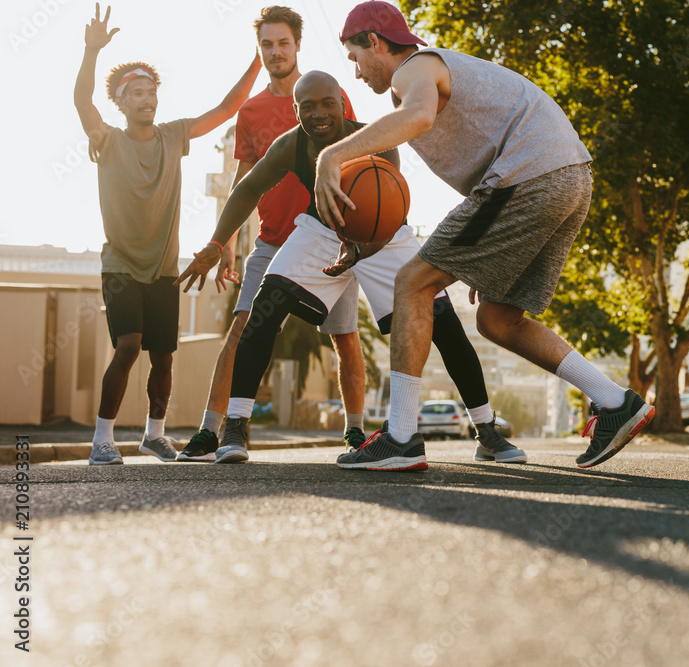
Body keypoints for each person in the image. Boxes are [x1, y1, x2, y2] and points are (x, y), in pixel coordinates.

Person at [314, 1, 656, 470]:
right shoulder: (434, 72)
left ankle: (401, 436)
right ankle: (616, 402)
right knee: (498, 319)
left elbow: (418, 117)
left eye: (355, 57)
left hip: (527, 176)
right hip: (569, 178)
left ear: (374, 41)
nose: (355, 73)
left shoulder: (414, 68)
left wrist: (330, 157)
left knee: (411, 283)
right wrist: (484, 255)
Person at [175, 70, 526, 468]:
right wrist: (215, 243)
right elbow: (246, 190)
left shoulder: (376, 138)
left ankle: (486, 430)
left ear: (343, 105)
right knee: (265, 306)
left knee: (442, 318)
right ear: (296, 111)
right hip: (321, 228)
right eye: (307, 106)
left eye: (328, 103)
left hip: (383, 232)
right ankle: (236, 426)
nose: (319, 113)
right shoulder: (290, 146)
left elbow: (391, 209)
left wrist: (362, 248)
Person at [175, 5, 368, 462]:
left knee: (344, 338)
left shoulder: (327, 96)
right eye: (267, 44)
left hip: (328, 240)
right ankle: (214, 431)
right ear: (258, 49)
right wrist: (225, 243)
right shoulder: (252, 111)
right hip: (271, 239)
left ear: (298, 44)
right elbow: (245, 181)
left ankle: (356, 432)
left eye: (283, 42)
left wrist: (357, 235)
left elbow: (357, 158)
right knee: (242, 328)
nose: (275, 51)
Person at [74, 4, 262, 465]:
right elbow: (82, 102)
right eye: (136, 93)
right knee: (128, 347)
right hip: (120, 263)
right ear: (121, 101)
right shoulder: (108, 140)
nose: (146, 98)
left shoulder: (174, 136)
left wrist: (259, 58)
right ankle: (103, 438)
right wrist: (91, 51)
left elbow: (226, 108)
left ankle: (154, 435)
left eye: (151, 91)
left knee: (163, 357)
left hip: (163, 269)